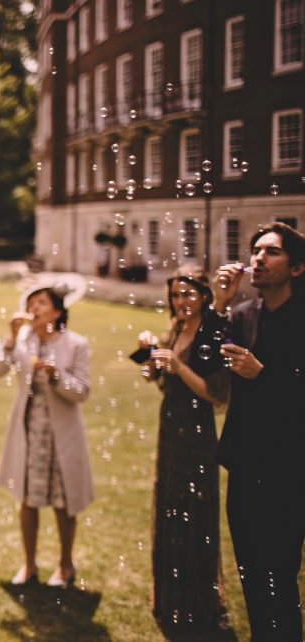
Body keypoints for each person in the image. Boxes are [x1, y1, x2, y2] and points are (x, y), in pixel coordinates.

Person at [212, 222, 305, 640]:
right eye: (256, 250)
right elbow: (206, 364)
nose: (259, 258)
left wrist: (262, 374)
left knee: (280, 576)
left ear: (298, 268)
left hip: (290, 466)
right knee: (250, 572)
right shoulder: (242, 313)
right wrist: (219, 304)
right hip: (245, 463)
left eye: (272, 251)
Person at [135, 265, 228, 632]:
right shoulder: (174, 329)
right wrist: (150, 358)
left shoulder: (213, 332)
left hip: (197, 430)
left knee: (194, 510)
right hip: (170, 425)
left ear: (205, 295)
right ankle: (172, 597)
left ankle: (199, 601)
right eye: (175, 294)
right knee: (171, 508)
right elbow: (158, 380)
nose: (181, 301)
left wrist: (176, 364)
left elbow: (215, 394)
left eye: (188, 293)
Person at [0, 285, 93, 588]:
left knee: (64, 501)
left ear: (58, 311)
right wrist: (10, 338)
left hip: (62, 433)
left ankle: (65, 565)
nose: (34, 308)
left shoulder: (76, 344)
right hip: (30, 431)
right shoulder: (23, 342)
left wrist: (57, 376)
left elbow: (83, 391)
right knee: (27, 498)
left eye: (42, 303)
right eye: (31, 303)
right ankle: (29, 564)